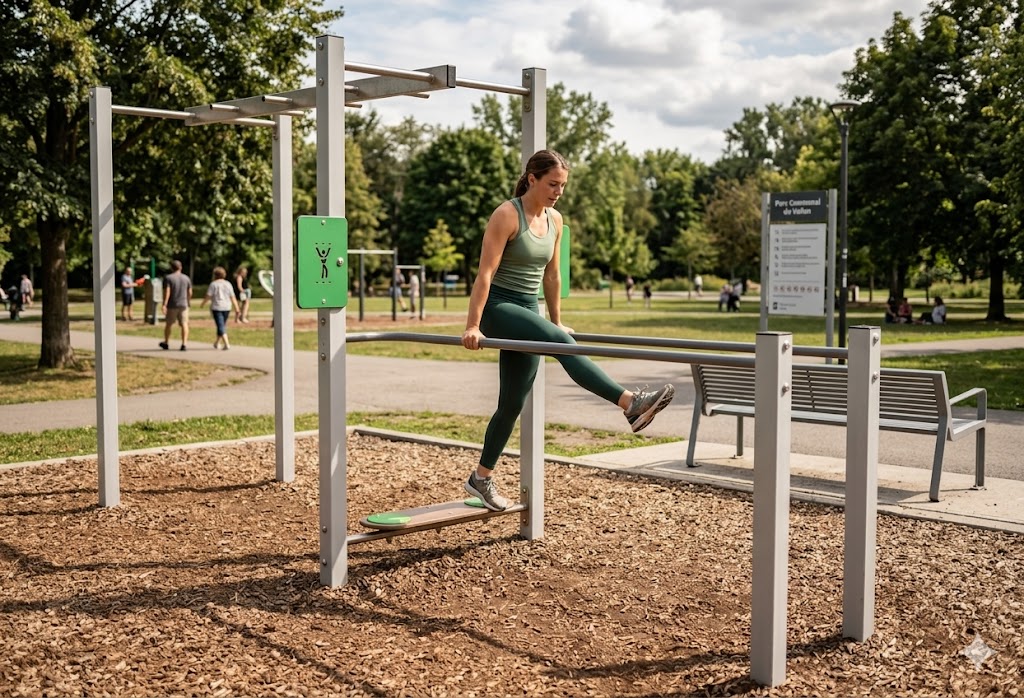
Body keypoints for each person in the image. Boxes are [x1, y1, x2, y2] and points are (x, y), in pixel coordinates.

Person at [460, 149, 675, 512]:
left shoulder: (556, 220)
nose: (558, 191)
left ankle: (480, 478)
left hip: (529, 308)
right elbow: (484, 273)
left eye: (563, 186)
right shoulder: (506, 214)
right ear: (532, 179)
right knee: (564, 345)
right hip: (500, 308)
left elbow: (553, 275)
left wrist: (555, 318)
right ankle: (629, 404)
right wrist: (473, 325)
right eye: (552, 184)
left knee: (512, 403)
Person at [201, 266, 240, 349]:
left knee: (220, 325)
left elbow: (208, 296)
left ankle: (226, 343)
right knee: (221, 325)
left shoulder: (213, 284)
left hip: (217, 307)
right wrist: (236, 307)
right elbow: (232, 297)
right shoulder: (228, 284)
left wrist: (203, 303)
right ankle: (217, 343)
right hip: (227, 307)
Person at [160, 259, 192, 351]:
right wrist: (188, 301)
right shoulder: (186, 278)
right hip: (183, 304)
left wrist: (164, 304)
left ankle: (166, 342)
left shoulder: (168, 278)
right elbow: (190, 292)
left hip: (172, 304)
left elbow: (167, 291)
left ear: (171, 268)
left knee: (169, 324)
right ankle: (184, 344)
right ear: (180, 267)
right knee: (184, 324)